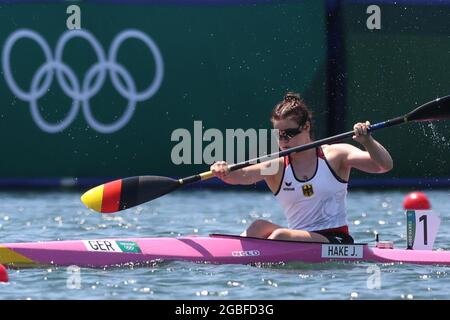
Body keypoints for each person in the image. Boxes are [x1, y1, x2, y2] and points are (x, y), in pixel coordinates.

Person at [210, 92, 393, 244]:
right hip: (298, 238)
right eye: (279, 135)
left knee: (280, 236)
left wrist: (368, 141)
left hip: (336, 240)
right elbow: (241, 175)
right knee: (258, 227)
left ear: (306, 127)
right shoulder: (277, 166)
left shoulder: (336, 155)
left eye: (289, 134)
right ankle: (229, 255)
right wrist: (224, 170)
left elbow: (383, 166)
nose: (283, 141)